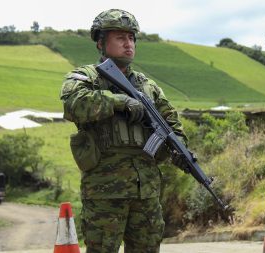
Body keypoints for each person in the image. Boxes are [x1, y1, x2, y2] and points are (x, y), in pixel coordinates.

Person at [60, 9, 188, 253]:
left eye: (131, 38)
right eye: (120, 38)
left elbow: (171, 121)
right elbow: (74, 104)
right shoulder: (86, 77)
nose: (128, 44)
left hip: (146, 189)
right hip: (105, 189)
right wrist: (119, 101)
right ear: (100, 42)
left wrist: (180, 147)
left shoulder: (148, 86)